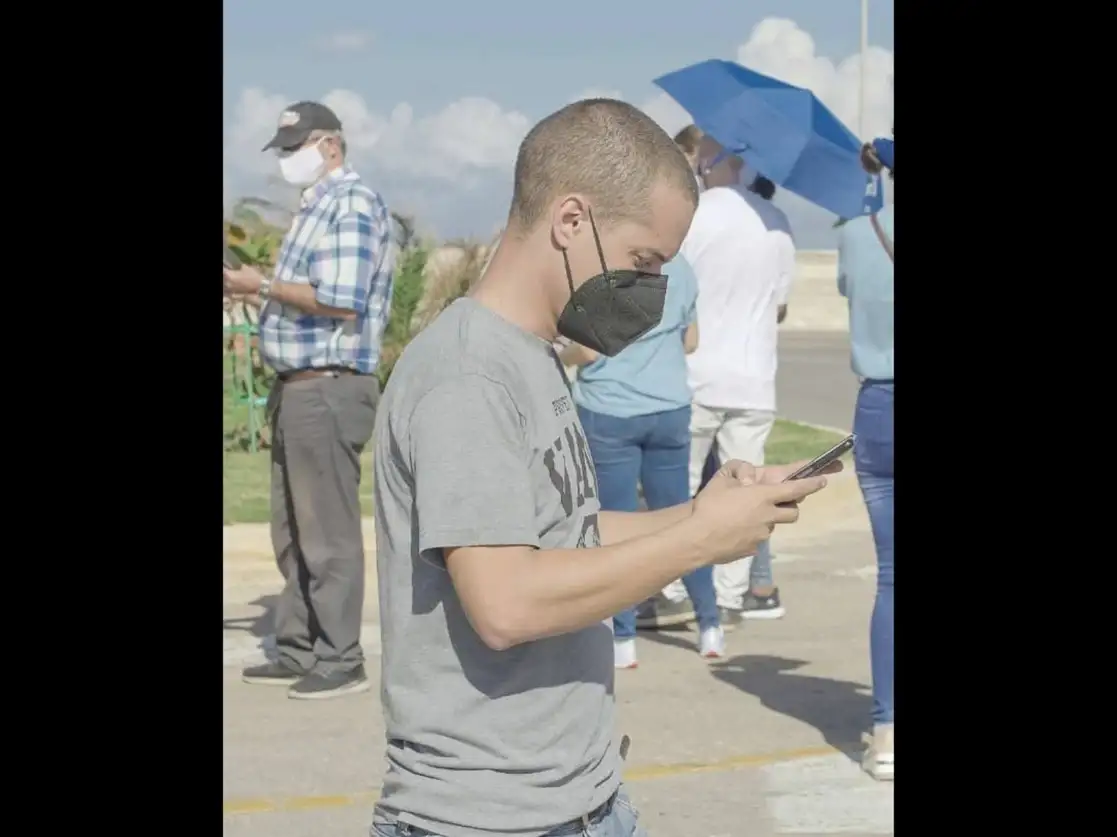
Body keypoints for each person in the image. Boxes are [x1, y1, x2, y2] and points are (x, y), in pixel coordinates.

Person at [370, 98, 834, 837]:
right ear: (570, 221)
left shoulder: (527, 355)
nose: (649, 288)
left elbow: (565, 528)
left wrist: (703, 512)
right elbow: (506, 603)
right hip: (492, 819)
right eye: (642, 261)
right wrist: (699, 544)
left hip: (578, 799)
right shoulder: (468, 378)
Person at [223, 100, 395, 700]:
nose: (288, 161)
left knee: (326, 530)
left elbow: (341, 297)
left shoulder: (350, 204)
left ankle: (340, 656)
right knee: (292, 529)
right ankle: (298, 645)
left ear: (330, 145)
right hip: (298, 386)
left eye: (296, 148)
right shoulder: (315, 208)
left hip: (328, 384)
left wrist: (261, 284)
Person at [655, 136, 796, 630]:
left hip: (696, 374)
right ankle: (731, 597)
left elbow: (668, 290)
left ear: (712, 161)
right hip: (755, 376)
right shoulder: (776, 222)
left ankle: (671, 589)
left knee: (683, 488)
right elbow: (779, 305)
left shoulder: (694, 216)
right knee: (746, 490)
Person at [560, 253, 723, 668]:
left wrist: (559, 354)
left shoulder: (602, 267)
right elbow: (691, 341)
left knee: (617, 523)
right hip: (669, 407)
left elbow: (588, 352)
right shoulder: (682, 267)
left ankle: (623, 637)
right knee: (681, 515)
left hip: (610, 409)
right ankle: (710, 624)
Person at [837, 137, 894, 780]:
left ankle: (886, 734)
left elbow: (848, 286)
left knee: (891, 577)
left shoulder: (858, 233)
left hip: (877, 406)